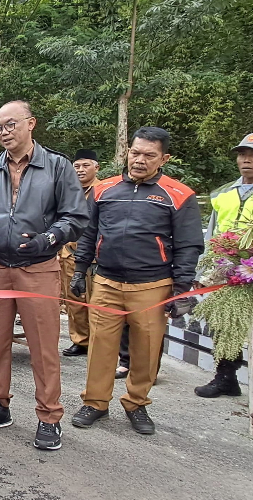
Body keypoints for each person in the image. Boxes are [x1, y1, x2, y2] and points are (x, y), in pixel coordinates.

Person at [0, 100, 89, 451]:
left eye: (10, 125)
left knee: (43, 346)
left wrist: (48, 238)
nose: (3, 132)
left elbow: (76, 217)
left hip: (38, 267)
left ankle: (49, 416)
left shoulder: (57, 166)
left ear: (30, 124)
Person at [70, 127, 204, 435]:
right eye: (135, 152)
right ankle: (94, 402)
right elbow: (89, 233)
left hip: (152, 286)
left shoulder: (179, 195)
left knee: (145, 349)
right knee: (101, 346)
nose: (139, 160)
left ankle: (136, 402)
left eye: (149, 155)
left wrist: (182, 289)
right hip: (105, 281)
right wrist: (79, 270)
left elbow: (189, 245)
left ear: (164, 158)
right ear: (127, 151)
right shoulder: (105, 189)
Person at [194, 133, 253, 398]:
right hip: (225, 269)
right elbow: (212, 234)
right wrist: (203, 271)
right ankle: (225, 376)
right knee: (223, 322)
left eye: (252, 156)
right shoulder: (224, 193)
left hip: (249, 267)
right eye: (243, 155)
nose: (247, 160)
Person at [60, 149, 101, 357]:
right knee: (74, 300)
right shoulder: (68, 190)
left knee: (98, 302)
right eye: (77, 166)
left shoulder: (103, 190)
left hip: (96, 257)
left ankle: (99, 342)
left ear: (96, 167)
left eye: (86, 165)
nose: (80, 170)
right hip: (70, 253)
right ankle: (80, 340)